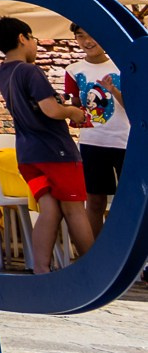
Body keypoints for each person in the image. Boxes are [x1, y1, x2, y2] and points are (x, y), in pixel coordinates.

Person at [0, 16, 94, 271]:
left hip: (27, 155)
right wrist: (72, 112)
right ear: (22, 38)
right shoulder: (30, 70)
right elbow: (50, 110)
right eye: (34, 39)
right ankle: (93, 269)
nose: (36, 45)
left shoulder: (2, 72)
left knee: (49, 209)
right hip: (55, 153)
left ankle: (41, 269)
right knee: (75, 210)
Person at [65, 26, 126, 235]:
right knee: (94, 200)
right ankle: (95, 252)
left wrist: (113, 91)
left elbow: (135, 106)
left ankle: (128, 252)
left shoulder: (122, 66)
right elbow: (73, 105)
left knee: (129, 199)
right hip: (91, 143)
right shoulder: (73, 70)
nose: (87, 41)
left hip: (124, 142)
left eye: (92, 34)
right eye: (80, 36)